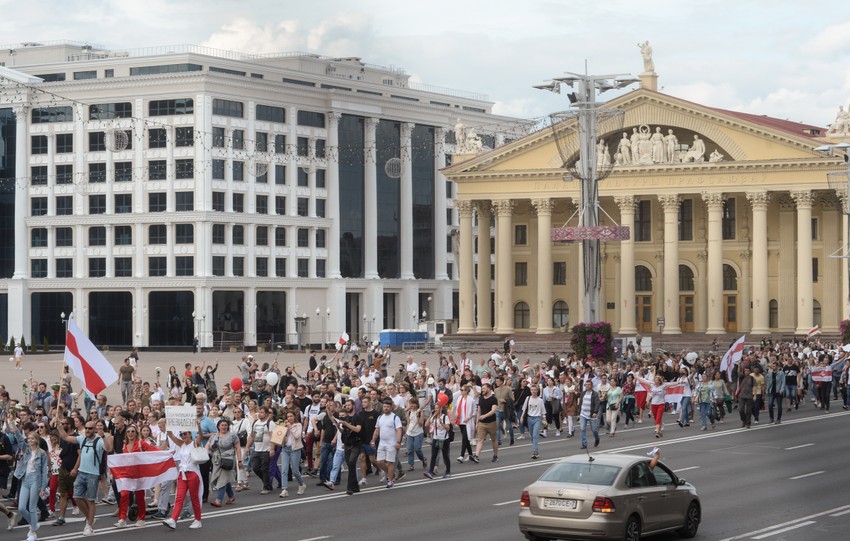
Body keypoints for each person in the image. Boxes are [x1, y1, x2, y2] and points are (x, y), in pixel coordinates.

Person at [57, 409, 114, 536]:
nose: (87, 430)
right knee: (77, 497)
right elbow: (65, 437)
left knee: (91, 500)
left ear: (94, 430)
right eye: (86, 428)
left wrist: (103, 437)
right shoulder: (82, 439)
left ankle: (89, 525)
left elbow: (108, 449)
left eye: (90, 428)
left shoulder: (99, 441)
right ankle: (90, 518)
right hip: (81, 473)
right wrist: (59, 427)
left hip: (93, 475)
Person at [114, 423, 159, 528]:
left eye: (132, 431)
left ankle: (141, 519)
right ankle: (122, 519)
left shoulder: (140, 443)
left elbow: (153, 450)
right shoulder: (124, 445)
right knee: (124, 495)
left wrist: (166, 453)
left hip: (139, 474)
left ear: (136, 433)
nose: (130, 433)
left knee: (139, 497)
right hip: (127, 474)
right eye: (128, 431)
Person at [161, 422, 203, 530]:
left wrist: (198, 426)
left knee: (194, 498)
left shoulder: (195, 443)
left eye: (185, 434)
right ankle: (173, 520)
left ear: (190, 434)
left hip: (193, 474)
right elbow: (170, 434)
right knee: (179, 497)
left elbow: (201, 435)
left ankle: (198, 520)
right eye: (181, 434)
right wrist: (168, 423)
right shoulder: (181, 444)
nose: (183, 436)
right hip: (182, 474)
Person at [206, 418, 241, 506]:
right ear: (218, 426)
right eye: (222, 425)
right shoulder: (214, 436)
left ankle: (218, 500)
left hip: (227, 459)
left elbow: (238, 448)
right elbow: (207, 446)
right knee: (222, 479)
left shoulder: (232, 436)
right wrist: (205, 454)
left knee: (222, 479)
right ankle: (231, 496)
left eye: (226, 425)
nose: (224, 427)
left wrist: (239, 460)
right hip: (216, 461)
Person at [636, 370, 680, 438]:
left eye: (657, 380)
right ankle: (660, 426)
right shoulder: (652, 386)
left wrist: (679, 382)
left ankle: (657, 432)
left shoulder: (663, 386)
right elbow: (644, 382)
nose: (656, 381)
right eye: (655, 380)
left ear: (659, 381)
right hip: (653, 404)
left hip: (661, 404)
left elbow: (671, 384)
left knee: (658, 418)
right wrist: (637, 377)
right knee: (656, 418)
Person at [371, 399, 402, 488]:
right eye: (384, 406)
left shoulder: (395, 418)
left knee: (389, 462)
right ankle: (391, 473)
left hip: (391, 444)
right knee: (379, 462)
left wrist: (398, 442)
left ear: (391, 407)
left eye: (388, 407)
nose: (386, 408)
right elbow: (377, 430)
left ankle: (390, 480)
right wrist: (373, 440)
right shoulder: (380, 417)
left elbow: (399, 430)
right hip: (382, 443)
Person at [245, 406, 275, 495]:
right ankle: (267, 482)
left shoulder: (270, 423)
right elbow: (252, 436)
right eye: (259, 412)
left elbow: (273, 437)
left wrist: (272, 449)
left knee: (265, 468)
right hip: (257, 449)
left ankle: (267, 487)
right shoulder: (256, 422)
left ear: (266, 414)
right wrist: (247, 446)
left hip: (266, 449)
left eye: (262, 412)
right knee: (255, 468)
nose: (260, 414)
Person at [277, 411, 307, 497]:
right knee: (284, 470)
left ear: (294, 417)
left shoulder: (298, 425)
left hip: (295, 449)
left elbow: (297, 436)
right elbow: (280, 437)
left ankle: (301, 484)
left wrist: (290, 427)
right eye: (288, 416)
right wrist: (283, 428)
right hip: (285, 448)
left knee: (295, 471)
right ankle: (284, 489)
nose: (289, 418)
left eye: (291, 416)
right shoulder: (285, 426)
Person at [336, 399, 362, 495]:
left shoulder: (357, 417)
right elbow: (344, 431)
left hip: (356, 443)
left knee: (351, 462)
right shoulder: (346, 418)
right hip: (347, 443)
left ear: (353, 406)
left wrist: (346, 424)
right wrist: (338, 427)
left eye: (349, 405)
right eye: (346, 405)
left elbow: (358, 429)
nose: (347, 407)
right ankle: (355, 486)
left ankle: (350, 487)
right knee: (350, 465)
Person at [472, 383, 499, 463]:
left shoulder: (493, 399)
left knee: (494, 440)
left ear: (489, 389)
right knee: (480, 440)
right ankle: (476, 456)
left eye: (484, 388)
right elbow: (479, 411)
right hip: (482, 423)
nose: (482, 390)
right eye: (482, 389)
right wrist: (477, 423)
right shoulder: (481, 398)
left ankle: (495, 455)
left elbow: (493, 410)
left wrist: (485, 416)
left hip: (491, 423)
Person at [423, 405, 452, 479]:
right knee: (434, 456)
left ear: (441, 409)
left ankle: (448, 471)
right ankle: (430, 472)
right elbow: (426, 424)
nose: (435, 409)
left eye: (437, 408)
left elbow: (448, 428)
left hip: (444, 439)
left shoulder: (444, 417)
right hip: (436, 438)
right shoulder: (434, 417)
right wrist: (431, 415)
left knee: (445, 456)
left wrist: (442, 423)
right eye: (435, 408)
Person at [520, 384, 545, 459]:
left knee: (535, 435)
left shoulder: (540, 400)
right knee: (532, 436)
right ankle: (535, 448)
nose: (533, 391)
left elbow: (543, 412)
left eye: (535, 390)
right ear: (530, 391)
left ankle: (535, 451)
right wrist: (522, 417)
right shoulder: (528, 398)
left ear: (537, 391)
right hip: (529, 418)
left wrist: (544, 421)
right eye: (532, 390)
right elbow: (524, 409)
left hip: (537, 418)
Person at [404, 397, 426, 471]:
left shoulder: (420, 412)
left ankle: (423, 459)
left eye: (413, 403)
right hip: (410, 433)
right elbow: (408, 423)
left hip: (418, 432)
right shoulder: (409, 412)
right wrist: (406, 432)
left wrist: (417, 416)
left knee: (417, 449)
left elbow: (421, 424)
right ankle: (411, 465)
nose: (412, 405)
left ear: (417, 404)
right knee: (410, 450)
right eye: (410, 403)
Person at [577, 380, 600, 449]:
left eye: (589, 384)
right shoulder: (583, 393)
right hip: (583, 414)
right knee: (582, 429)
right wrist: (579, 413)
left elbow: (597, 403)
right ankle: (584, 444)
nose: (587, 386)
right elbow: (580, 403)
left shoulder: (595, 394)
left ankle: (597, 439)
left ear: (591, 385)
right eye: (586, 385)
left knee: (594, 430)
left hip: (591, 414)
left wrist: (595, 412)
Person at [766, 360, 786, 424]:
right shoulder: (770, 374)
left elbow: (783, 382)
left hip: (778, 391)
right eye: (772, 366)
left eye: (774, 366)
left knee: (779, 406)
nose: (773, 367)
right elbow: (768, 383)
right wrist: (767, 390)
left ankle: (778, 419)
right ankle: (771, 418)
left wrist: (782, 389)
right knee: (770, 405)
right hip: (772, 391)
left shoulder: (781, 373)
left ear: (777, 367)